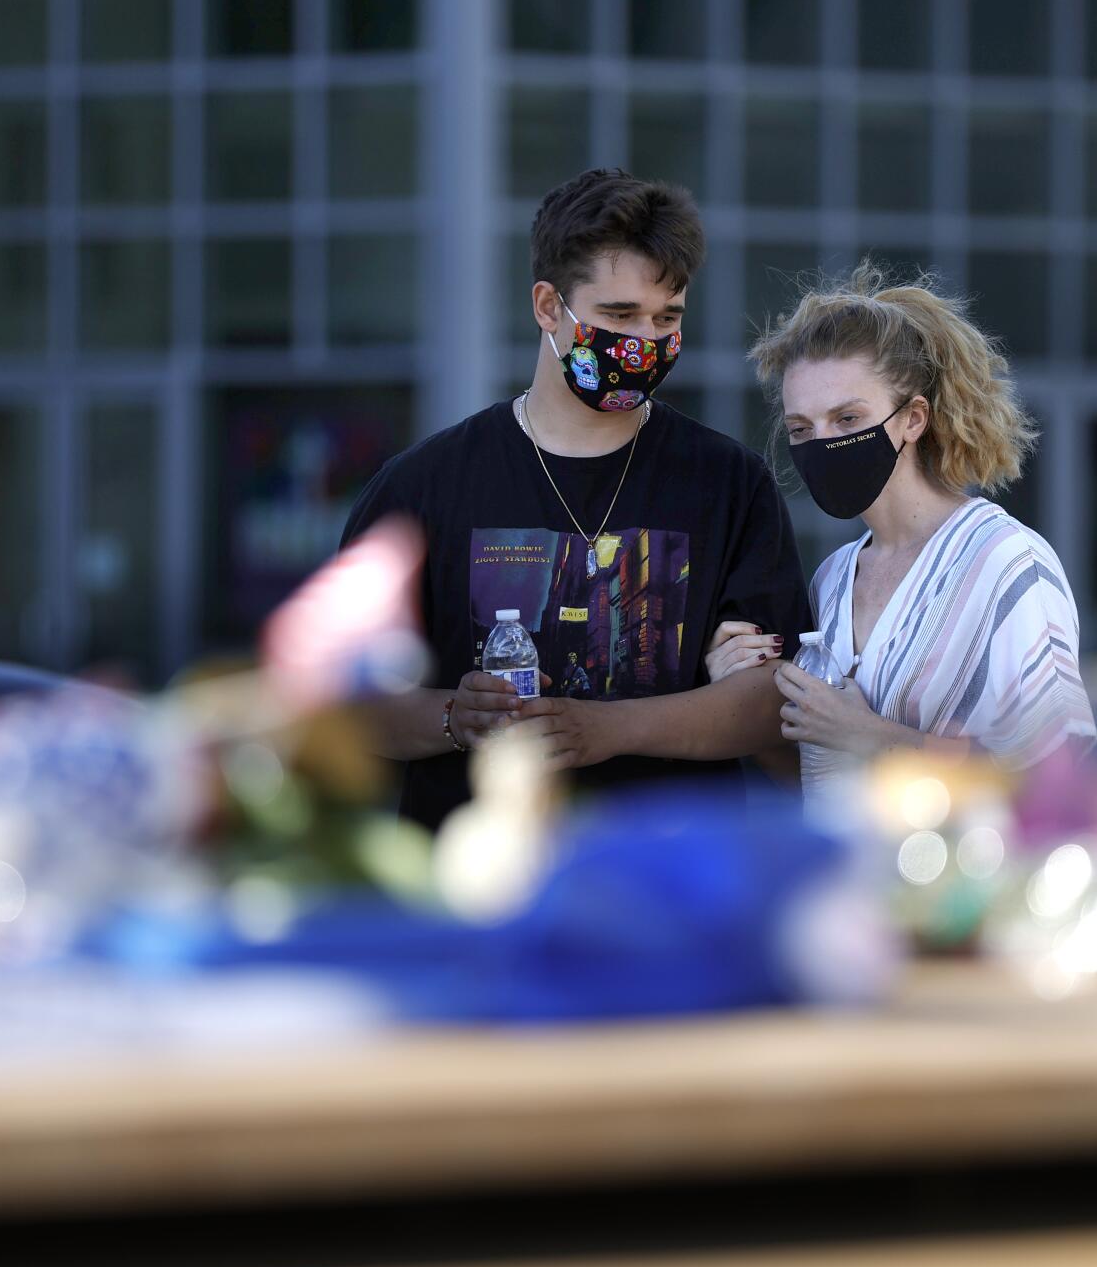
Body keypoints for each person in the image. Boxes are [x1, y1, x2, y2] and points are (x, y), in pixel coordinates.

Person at [340, 168, 812, 830]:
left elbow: (771, 706)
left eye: (667, 317)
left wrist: (610, 728)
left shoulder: (730, 483)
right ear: (546, 306)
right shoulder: (423, 484)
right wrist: (451, 715)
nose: (645, 340)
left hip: (674, 884)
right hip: (475, 883)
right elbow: (345, 706)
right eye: (619, 315)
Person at [704, 263, 1095, 801]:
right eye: (801, 428)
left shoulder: (1008, 564)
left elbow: (1059, 781)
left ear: (913, 418)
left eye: (847, 419)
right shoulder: (832, 580)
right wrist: (740, 694)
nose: (821, 443)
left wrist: (873, 737)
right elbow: (817, 782)